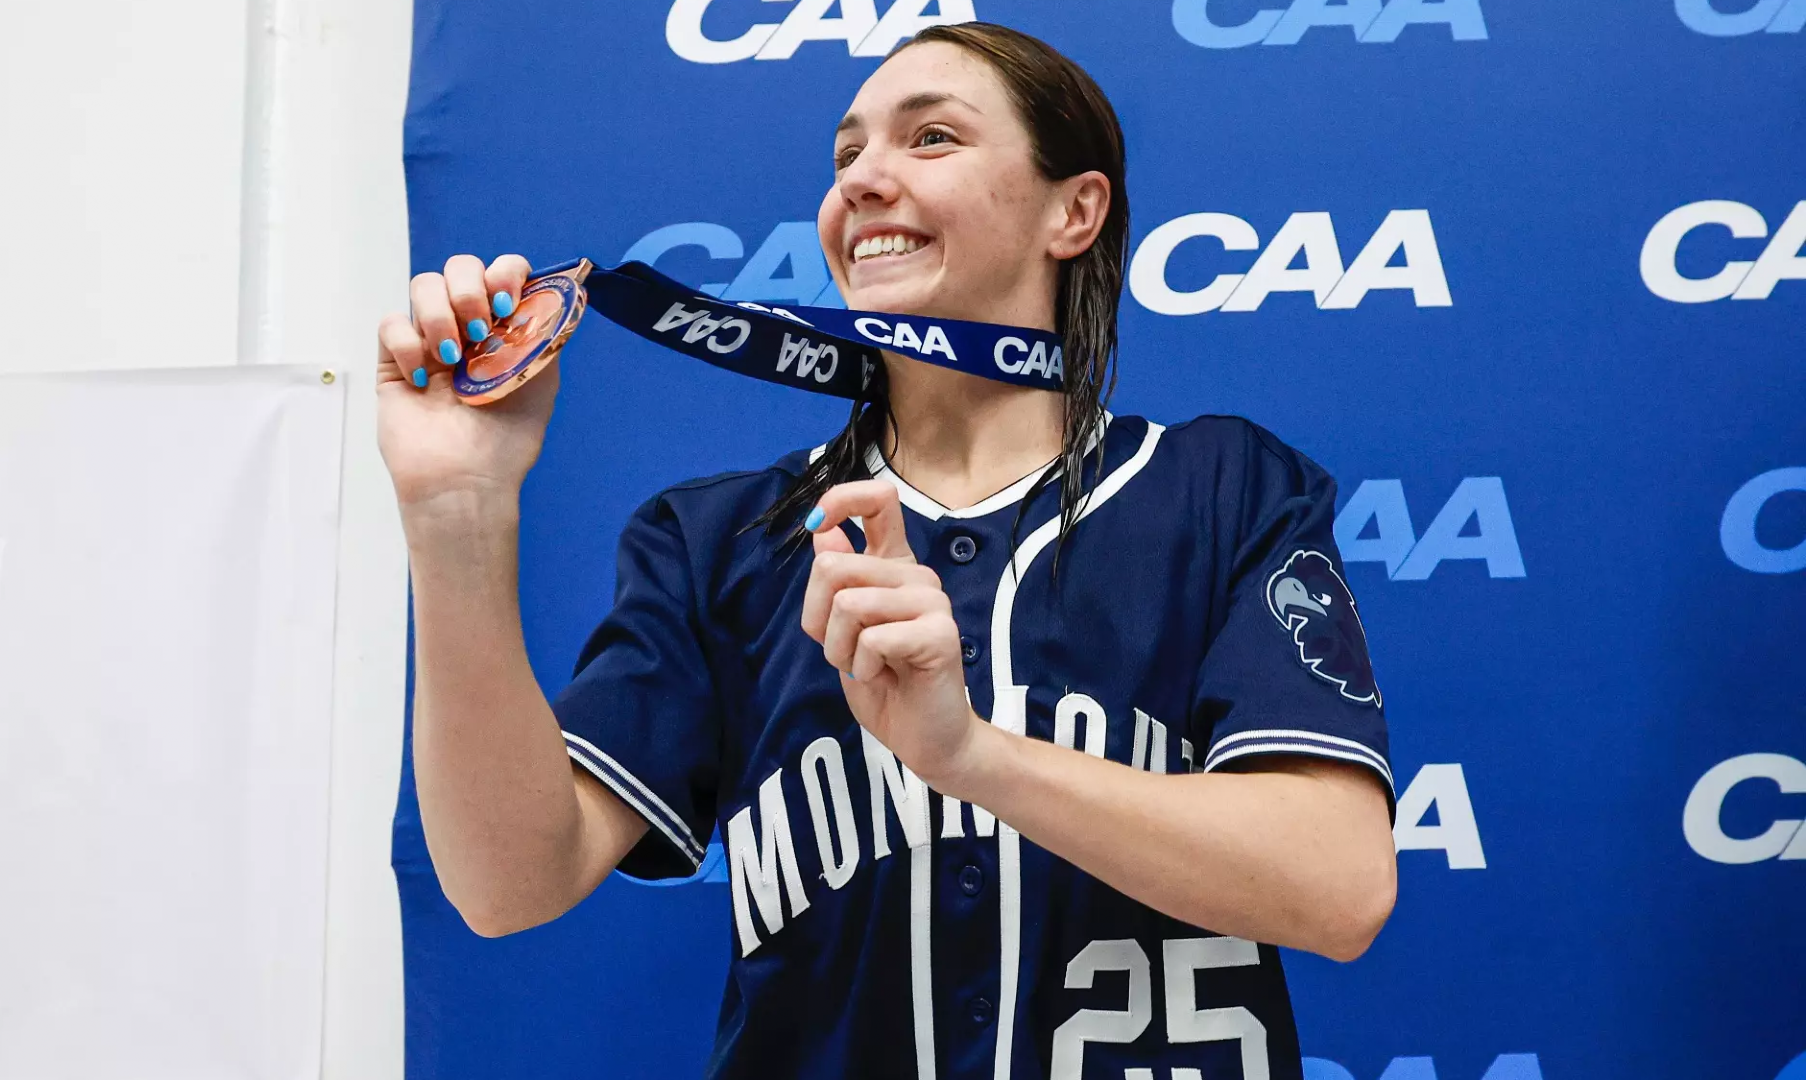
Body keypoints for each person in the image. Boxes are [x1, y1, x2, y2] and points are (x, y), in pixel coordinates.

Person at [375, 21, 1396, 1080]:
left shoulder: (1220, 492)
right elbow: (505, 883)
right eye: (846, 154)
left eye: (932, 139)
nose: (863, 180)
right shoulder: (724, 540)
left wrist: (973, 758)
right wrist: (458, 510)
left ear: (1073, 210)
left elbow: (1339, 885)